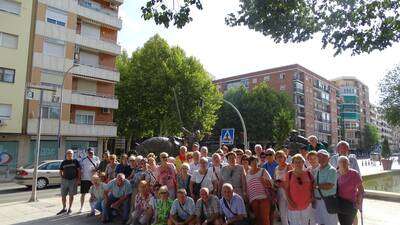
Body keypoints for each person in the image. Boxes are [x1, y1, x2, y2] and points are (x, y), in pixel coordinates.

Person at [285, 154, 315, 225]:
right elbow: (286, 190)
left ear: (303, 163)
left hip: (306, 204)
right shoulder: (289, 175)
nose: (298, 164)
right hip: (293, 205)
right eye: (296, 162)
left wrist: (312, 197)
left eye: (300, 162)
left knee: (305, 223)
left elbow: (312, 187)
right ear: (293, 164)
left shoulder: (308, 174)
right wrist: (290, 202)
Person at [337, 156, 364, 225]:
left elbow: (361, 189)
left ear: (349, 164)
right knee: (343, 222)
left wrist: (359, 202)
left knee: (351, 221)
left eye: (345, 163)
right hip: (340, 203)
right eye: (341, 163)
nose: (344, 165)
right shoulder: (336, 174)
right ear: (338, 164)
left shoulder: (354, 173)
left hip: (352, 203)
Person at [246, 156, 273, 225]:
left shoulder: (263, 171)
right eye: (252, 162)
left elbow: (271, 183)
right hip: (253, 200)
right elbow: (247, 188)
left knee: (265, 218)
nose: (254, 163)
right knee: (257, 219)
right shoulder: (247, 174)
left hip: (264, 198)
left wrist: (264, 181)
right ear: (249, 164)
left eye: (255, 161)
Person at [314, 150, 338, 225]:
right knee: (321, 223)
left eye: (324, 157)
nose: (322, 158)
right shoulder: (317, 169)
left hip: (328, 201)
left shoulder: (332, 170)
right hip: (318, 201)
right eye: (319, 157)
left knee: (330, 223)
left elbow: (329, 185)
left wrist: (317, 186)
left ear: (328, 158)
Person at [57, 149, 81, 215]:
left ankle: (70, 208)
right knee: (63, 195)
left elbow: (79, 171)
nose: (69, 154)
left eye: (70, 153)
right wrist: (62, 177)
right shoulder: (63, 162)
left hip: (73, 180)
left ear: (72, 154)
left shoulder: (75, 161)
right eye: (68, 153)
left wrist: (78, 179)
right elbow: (60, 171)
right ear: (66, 154)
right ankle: (64, 208)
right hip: (64, 181)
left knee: (71, 195)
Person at [79, 148, 99, 213]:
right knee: (83, 194)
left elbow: (99, 168)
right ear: (87, 153)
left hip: (94, 179)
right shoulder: (83, 159)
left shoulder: (97, 158)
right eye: (89, 153)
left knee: (94, 194)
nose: (91, 154)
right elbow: (80, 169)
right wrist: (79, 178)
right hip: (85, 179)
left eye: (92, 152)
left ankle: (93, 208)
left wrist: (95, 170)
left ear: (94, 152)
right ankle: (81, 207)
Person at [274, 150, 291, 225]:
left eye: (281, 156)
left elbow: (292, 179)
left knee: (290, 211)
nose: (279, 158)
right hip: (280, 191)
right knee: (282, 211)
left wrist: (283, 183)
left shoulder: (288, 166)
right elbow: (275, 179)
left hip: (288, 190)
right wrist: (276, 183)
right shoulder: (276, 168)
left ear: (284, 157)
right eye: (277, 157)